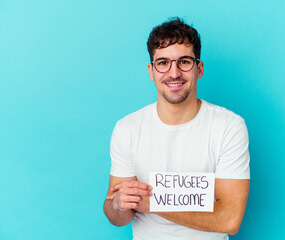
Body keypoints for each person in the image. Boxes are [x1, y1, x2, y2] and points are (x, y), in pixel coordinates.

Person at [104, 17, 250, 240]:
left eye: (184, 61)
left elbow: (230, 220)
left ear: (199, 69)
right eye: (163, 63)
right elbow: (117, 217)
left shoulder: (229, 127)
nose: (174, 73)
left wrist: (153, 204)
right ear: (151, 71)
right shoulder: (127, 129)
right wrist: (118, 204)